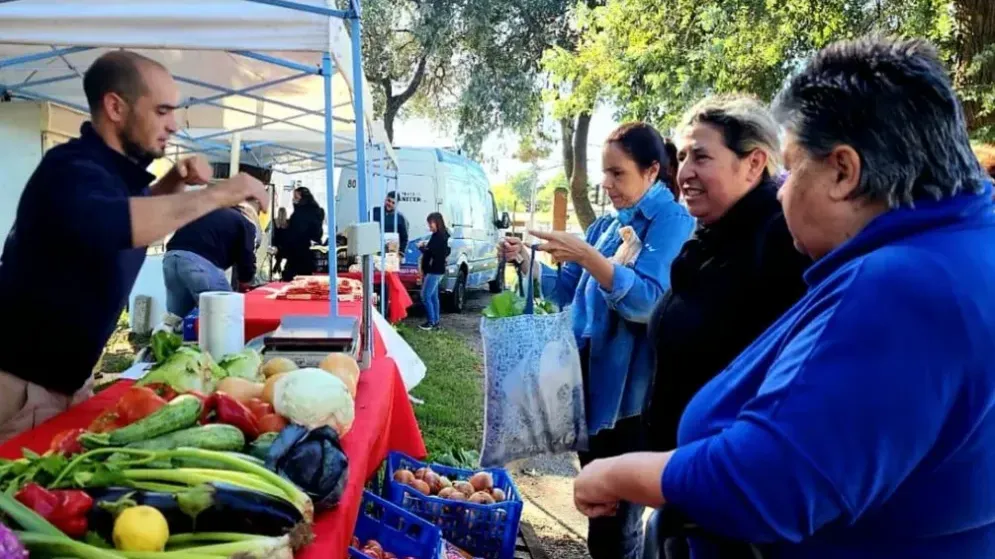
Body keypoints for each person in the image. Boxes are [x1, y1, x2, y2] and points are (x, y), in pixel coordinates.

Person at [573, 36, 995, 558]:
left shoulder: (901, 285)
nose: (783, 188)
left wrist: (618, 474)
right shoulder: (966, 245)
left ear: (843, 171)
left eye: (793, 169)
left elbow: (766, 483)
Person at [0, 50, 267, 443]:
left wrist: (172, 184)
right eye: (162, 111)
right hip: (20, 389)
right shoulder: (69, 169)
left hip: (67, 383)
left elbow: (131, 215)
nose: (173, 125)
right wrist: (221, 193)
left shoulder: (115, 174)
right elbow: (115, 224)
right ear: (115, 107)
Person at [502, 123, 695, 559]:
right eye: (603, 174)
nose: (606, 184)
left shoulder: (672, 222)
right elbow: (568, 288)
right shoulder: (609, 226)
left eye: (617, 173)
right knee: (599, 511)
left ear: (651, 171)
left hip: (632, 401)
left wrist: (589, 258)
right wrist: (526, 262)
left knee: (616, 522)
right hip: (591, 389)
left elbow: (648, 301)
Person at [646, 95, 811, 457]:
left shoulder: (780, 241)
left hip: (720, 484)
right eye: (683, 157)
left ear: (753, 164)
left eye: (701, 156)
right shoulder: (712, 235)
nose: (684, 172)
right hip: (676, 474)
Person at [162, 204, 257, 319]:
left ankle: (165, 334)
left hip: (171, 258)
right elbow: (246, 256)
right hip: (198, 262)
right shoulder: (245, 223)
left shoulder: (208, 211)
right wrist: (245, 282)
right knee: (227, 315)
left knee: (176, 318)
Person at [281, 187, 324, 281]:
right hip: (309, 255)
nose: (293, 200)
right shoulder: (316, 211)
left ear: (303, 198)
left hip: (298, 254)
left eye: (296, 197)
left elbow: (296, 233)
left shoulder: (300, 214)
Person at [418, 212, 450, 330]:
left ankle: (431, 321)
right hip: (438, 270)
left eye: (430, 223)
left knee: (425, 295)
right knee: (433, 297)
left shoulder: (438, 237)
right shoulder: (442, 236)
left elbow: (431, 253)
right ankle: (436, 321)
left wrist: (422, 248)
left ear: (437, 222)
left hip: (434, 270)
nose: (429, 226)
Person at [271, 207, 290, 277]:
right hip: (285, 246)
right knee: (281, 254)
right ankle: (277, 270)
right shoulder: (288, 223)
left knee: (279, 256)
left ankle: (275, 270)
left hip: (276, 245)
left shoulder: (274, 221)